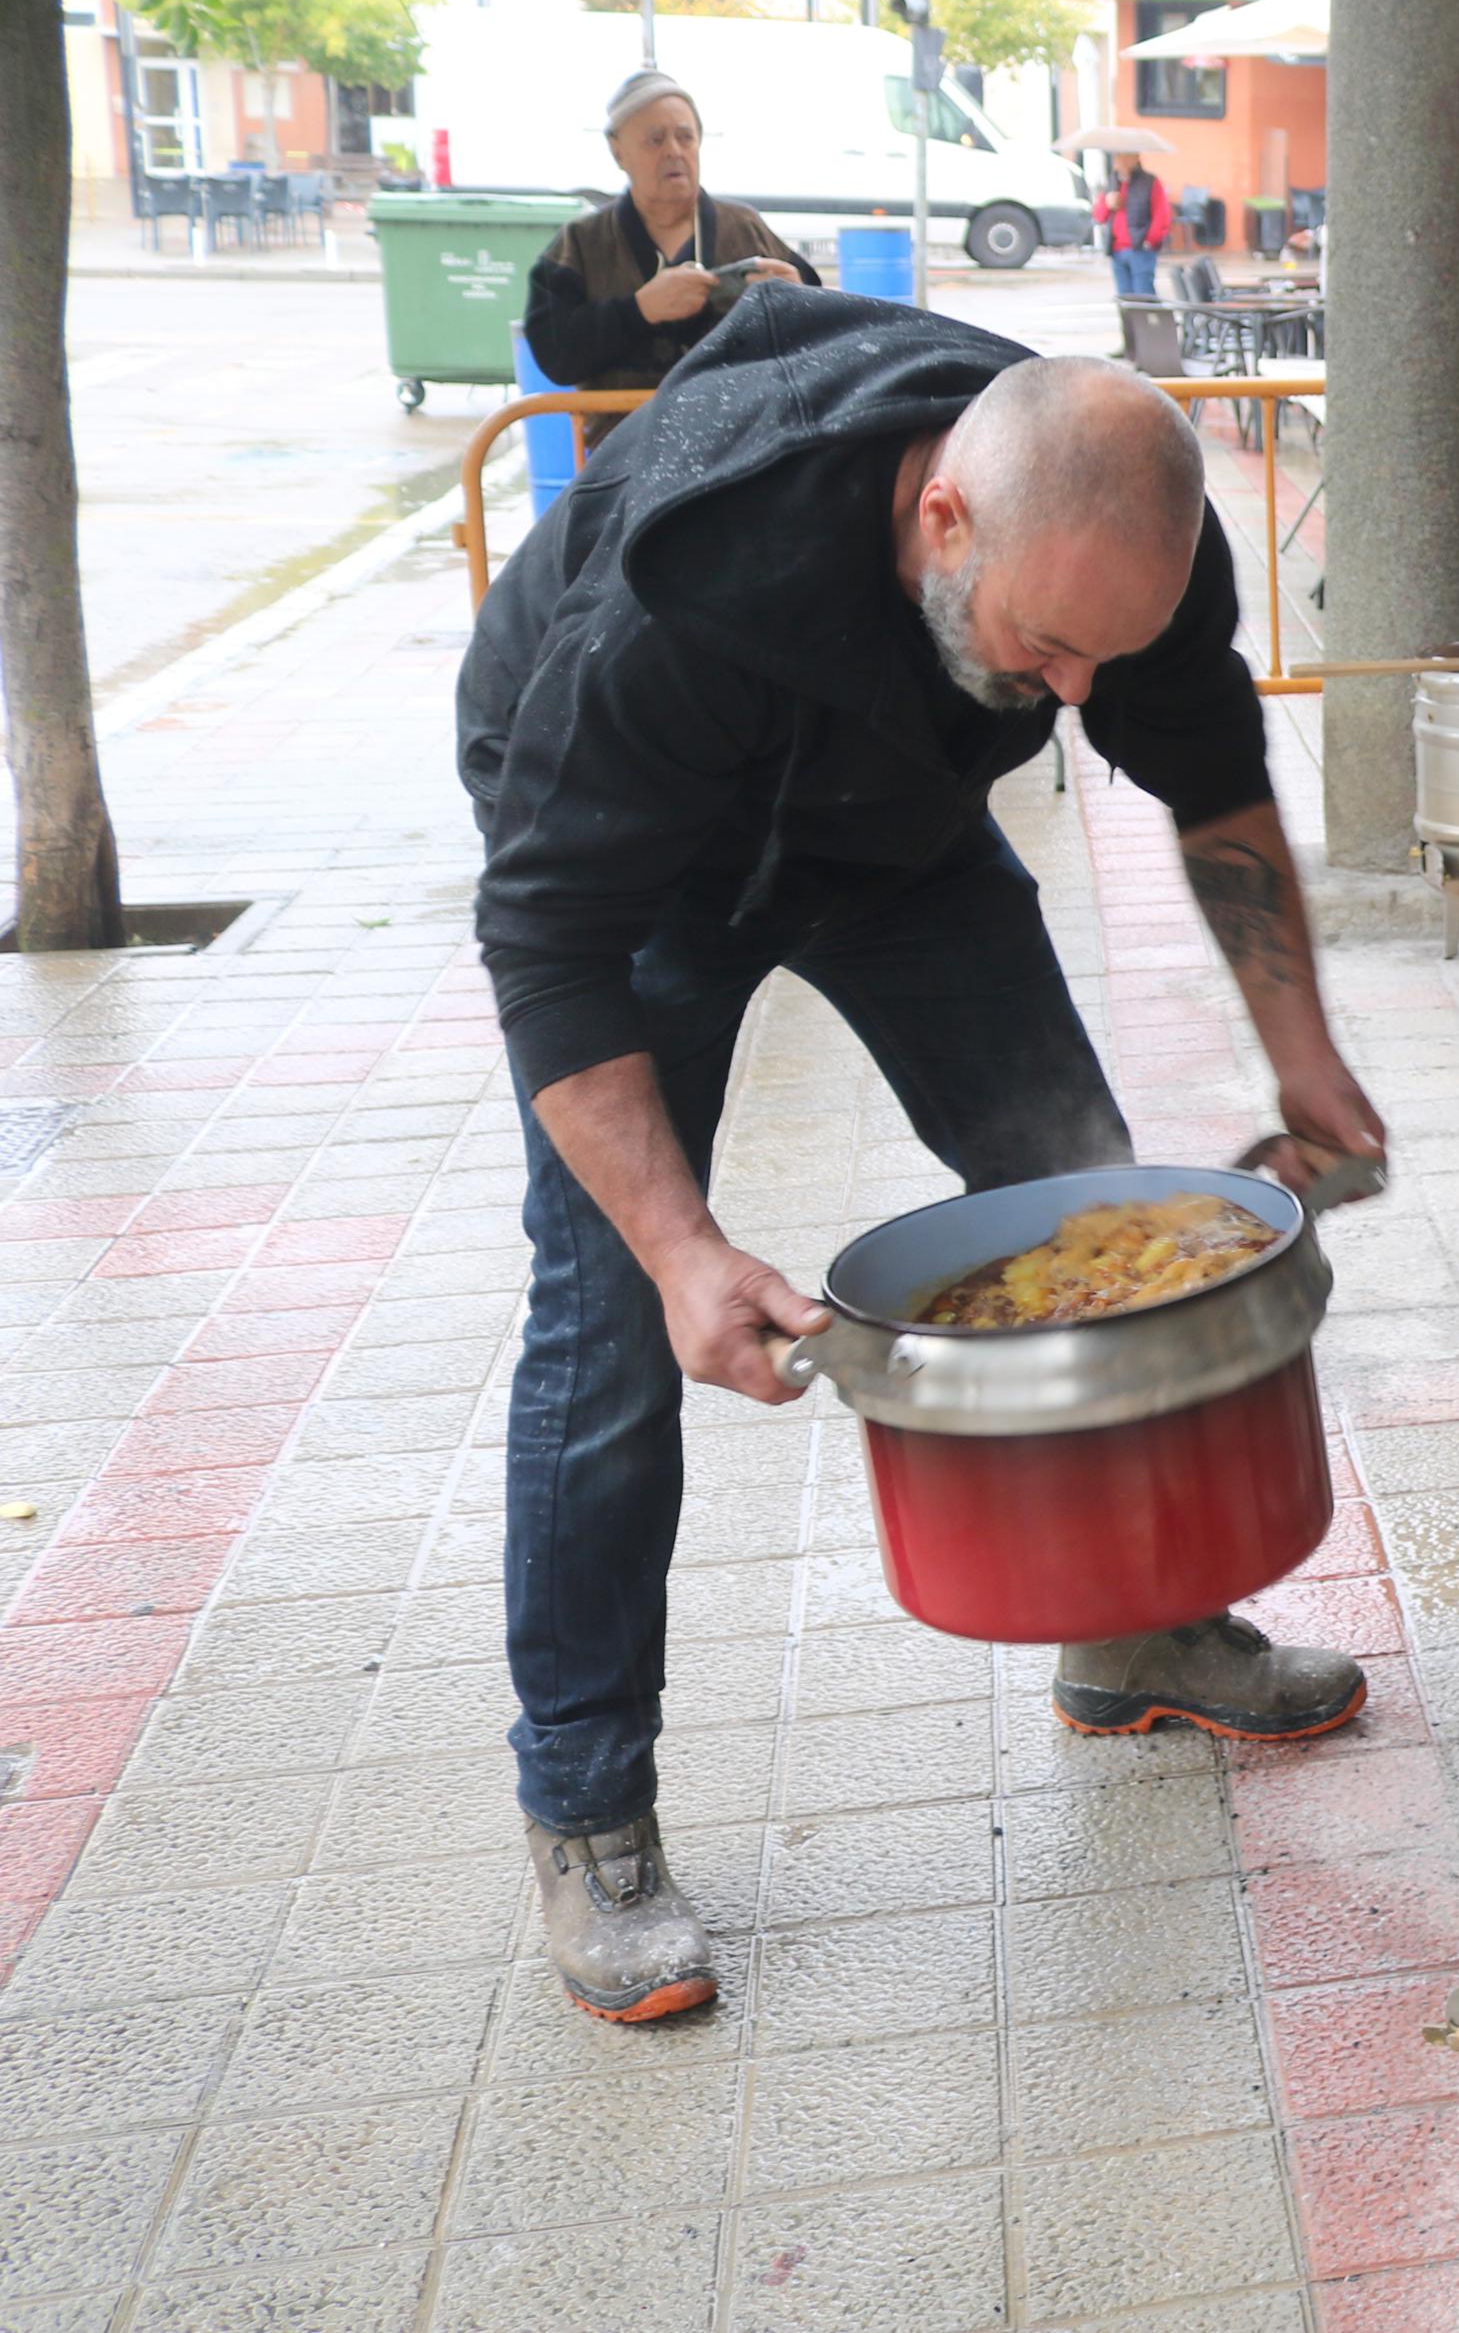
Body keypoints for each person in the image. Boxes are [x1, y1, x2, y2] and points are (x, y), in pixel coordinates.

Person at [458, 284, 1389, 2024]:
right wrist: (681, 1249)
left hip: (883, 831)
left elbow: (1209, 783)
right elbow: (544, 939)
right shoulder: (691, 590)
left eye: (1100, 660)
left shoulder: (1106, 534)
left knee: (1085, 1188)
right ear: (939, 514)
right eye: (1045, 657)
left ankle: (1133, 1630)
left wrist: (1306, 1056)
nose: (1075, 694)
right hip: (635, 867)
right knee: (603, 1335)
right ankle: (587, 1813)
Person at [523, 69, 816, 391]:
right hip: (626, 434)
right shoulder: (580, 244)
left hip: (744, 433)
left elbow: (821, 331)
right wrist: (638, 310)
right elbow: (554, 355)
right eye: (656, 140)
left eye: (685, 136)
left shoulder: (746, 228)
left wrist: (797, 297)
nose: (674, 151)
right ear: (618, 151)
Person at [1099, 158, 1175, 298]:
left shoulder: (1149, 182)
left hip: (1140, 249)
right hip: (1117, 250)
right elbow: (1099, 216)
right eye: (1118, 157)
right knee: (1125, 299)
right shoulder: (1112, 183)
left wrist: (1150, 241)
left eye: (1125, 157)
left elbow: (1161, 215)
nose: (1121, 162)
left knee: (1144, 297)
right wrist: (1107, 203)